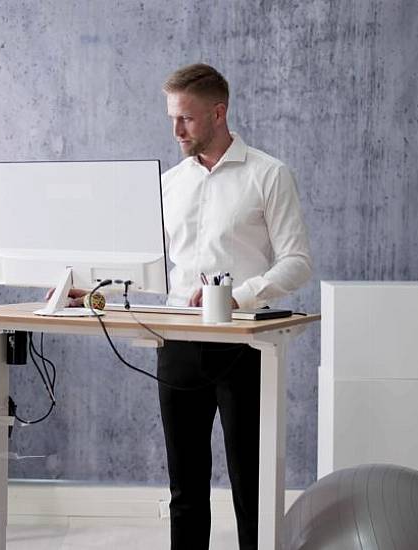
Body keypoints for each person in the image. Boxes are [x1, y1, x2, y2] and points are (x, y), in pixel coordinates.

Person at [157, 63, 312, 549]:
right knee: (184, 488)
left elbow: (298, 263)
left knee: (252, 485)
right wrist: (92, 286)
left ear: (218, 113)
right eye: (172, 118)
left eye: (186, 118)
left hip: (243, 345)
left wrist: (238, 295)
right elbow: (148, 265)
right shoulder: (170, 183)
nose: (176, 130)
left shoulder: (268, 174)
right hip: (177, 341)